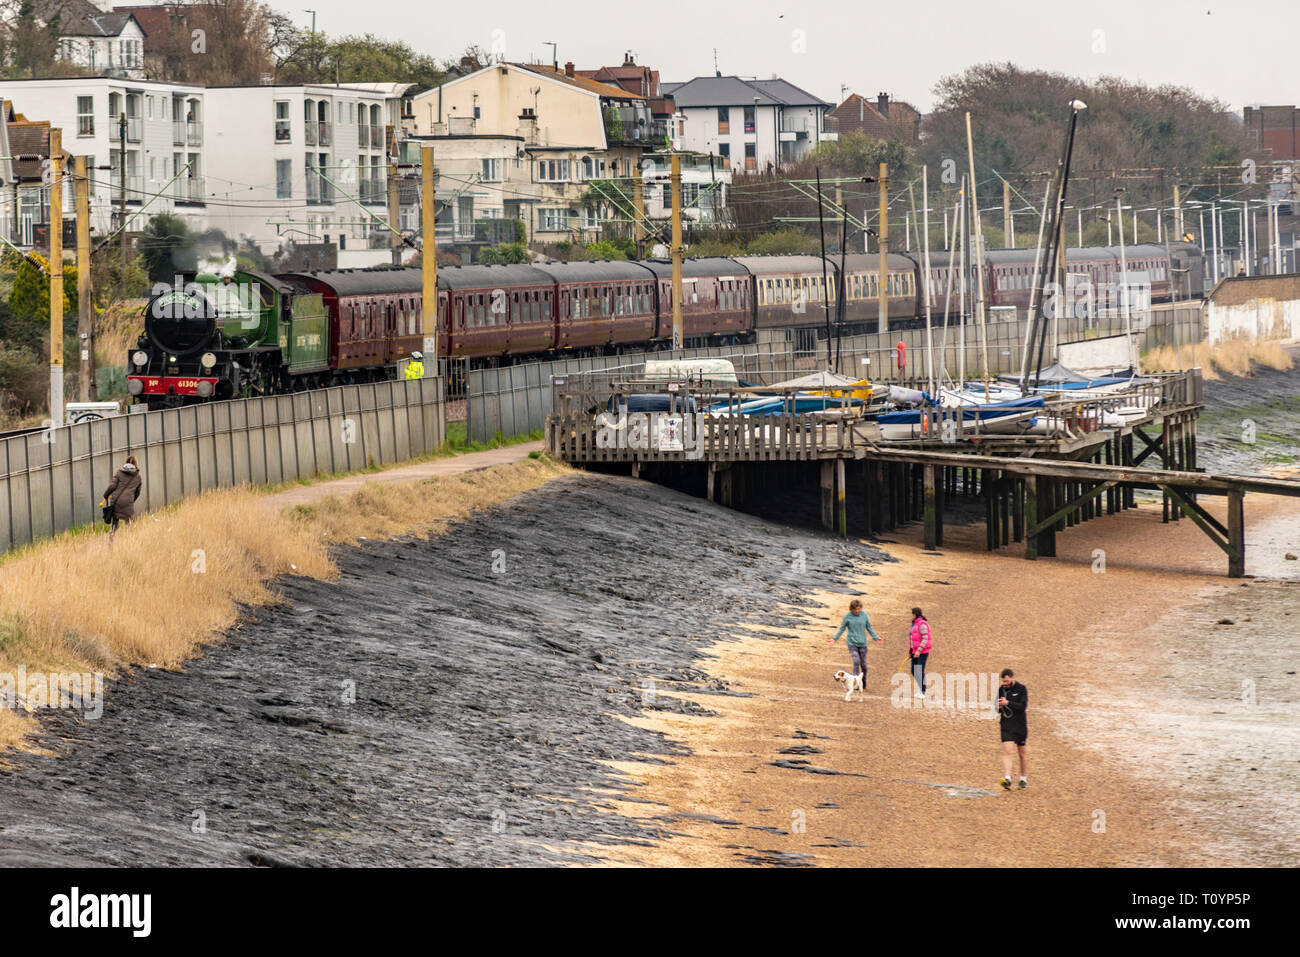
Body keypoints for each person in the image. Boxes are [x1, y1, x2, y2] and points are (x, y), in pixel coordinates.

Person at [827, 599, 882, 689]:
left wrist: (876, 637)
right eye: (855, 609)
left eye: (858, 609)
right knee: (856, 661)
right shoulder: (847, 617)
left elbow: (869, 627)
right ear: (851, 609)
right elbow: (842, 629)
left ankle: (863, 682)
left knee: (863, 665)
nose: (857, 611)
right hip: (852, 643)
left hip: (863, 643)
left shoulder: (864, 615)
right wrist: (834, 639)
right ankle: (855, 683)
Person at [997, 668, 1029, 790]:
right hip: (1006, 724)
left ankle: (1023, 778)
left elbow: (1022, 706)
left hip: (1020, 725)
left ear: (1012, 677)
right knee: (1007, 751)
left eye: (1006, 681)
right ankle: (1007, 778)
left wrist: (1008, 703)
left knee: (1022, 754)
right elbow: (997, 708)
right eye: (1003, 681)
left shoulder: (1021, 689)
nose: (1005, 683)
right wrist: (999, 706)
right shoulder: (1001, 690)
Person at [103, 455, 143, 536]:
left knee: (115, 523)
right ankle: (129, 541)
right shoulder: (138, 477)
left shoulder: (119, 473)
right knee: (129, 523)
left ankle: (111, 541)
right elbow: (137, 493)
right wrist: (131, 500)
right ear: (136, 464)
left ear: (126, 462)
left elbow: (112, 486)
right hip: (128, 502)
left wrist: (106, 495)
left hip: (116, 501)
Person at [909, 607, 932, 699]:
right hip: (915, 651)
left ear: (915, 614)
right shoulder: (914, 624)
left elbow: (925, 638)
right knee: (913, 670)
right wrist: (910, 651)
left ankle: (922, 690)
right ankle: (920, 689)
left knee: (919, 670)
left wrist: (919, 650)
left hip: (922, 652)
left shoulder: (922, 624)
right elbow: (912, 639)